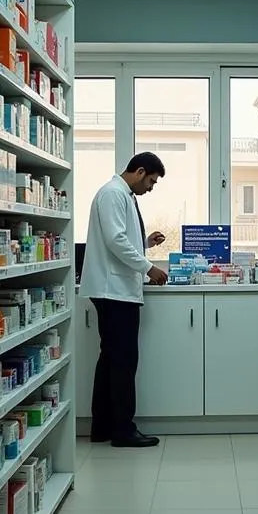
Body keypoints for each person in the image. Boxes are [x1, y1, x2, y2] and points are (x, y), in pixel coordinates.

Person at [80, 152, 168, 448]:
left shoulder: (122, 195)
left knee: (110, 360)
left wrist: (145, 244)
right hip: (113, 292)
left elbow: (119, 239)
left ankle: (102, 427)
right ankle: (123, 430)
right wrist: (149, 267)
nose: (151, 188)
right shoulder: (113, 194)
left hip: (114, 289)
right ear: (140, 171)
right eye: (151, 182)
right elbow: (115, 241)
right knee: (123, 363)